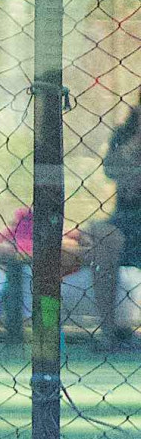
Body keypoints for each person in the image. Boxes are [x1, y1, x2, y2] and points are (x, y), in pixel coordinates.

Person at [80, 102, 141, 351]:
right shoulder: (125, 134)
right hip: (126, 219)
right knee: (103, 235)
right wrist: (137, 138)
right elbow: (111, 170)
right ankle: (109, 332)